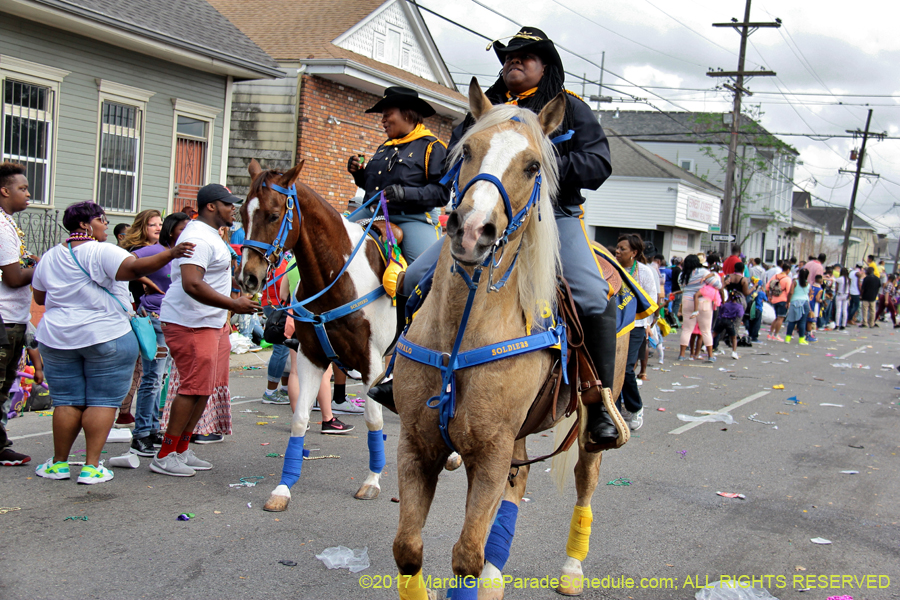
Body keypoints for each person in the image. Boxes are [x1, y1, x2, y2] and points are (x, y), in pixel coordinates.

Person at [370, 27, 625, 447]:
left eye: (526, 56)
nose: (514, 61)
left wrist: (541, 157)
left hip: (552, 215)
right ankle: (398, 367)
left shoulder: (572, 109)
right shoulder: (485, 111)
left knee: (593, 295)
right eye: (509, 56)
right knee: (414, 278)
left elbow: (598, 163)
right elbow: (454, 158)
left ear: (546, 66)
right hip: (488, 212)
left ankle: (598, 403)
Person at [32, 202, 192, 484]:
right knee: (103, 401)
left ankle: (58, 464)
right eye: (101, 220)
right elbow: (133, 269)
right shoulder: (102, 250)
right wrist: (172, 253)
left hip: (57, 338)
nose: (106, 225)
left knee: (66, 401)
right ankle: (91, 466)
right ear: (85, 225)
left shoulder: (50, 256)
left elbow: (41, 298)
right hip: (106, 335)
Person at [153, 184, 259, 477]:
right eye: (228, 204)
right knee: (192, 388)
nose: (233, 209)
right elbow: (192, 283)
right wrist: (232, 305)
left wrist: (233, 297)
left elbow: (211, 278)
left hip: (208, 322)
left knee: (204, 389)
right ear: (211, 206)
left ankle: (182, 449)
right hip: (190, 322)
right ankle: (165, 454)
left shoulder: (211, 235)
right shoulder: (198, 236)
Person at [346, 86, 448, 262]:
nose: (383, 121)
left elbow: (441, 194)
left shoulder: (433, 147)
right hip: (372, 213)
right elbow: (374, 187)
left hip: (412, 219)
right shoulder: (385, 147)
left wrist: (404, 193)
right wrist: (358, 174)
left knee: (422, 274)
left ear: (407, 114)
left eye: (387, 114)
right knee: (329, 238)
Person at [127, 212, 190, 457]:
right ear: (173, 231)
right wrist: (143, 278)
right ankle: (141, 434)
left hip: (172, 321)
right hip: (154, 319)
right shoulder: (157, 251)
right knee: (152, 378)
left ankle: (152, 429)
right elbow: (125, 261)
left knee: (160, 378)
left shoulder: (184, 253)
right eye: (182, 228)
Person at [0, 162, 41, 467]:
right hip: (4, 318)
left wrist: (30, 260)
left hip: (15, 317)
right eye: (22, 188)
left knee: (4, 387)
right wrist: (43, 269)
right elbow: (13, 278)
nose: (28, 194)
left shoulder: (8, 224)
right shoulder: (1, 228)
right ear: (4, 191)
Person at [615, 234, 657, 430]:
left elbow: (652, 300)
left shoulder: (644, 272)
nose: (618, 251)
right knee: (611, 370)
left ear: (634, 253)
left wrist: (649, 324)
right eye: (617, 248)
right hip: (615, 327)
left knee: (626, 369)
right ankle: (613, 411)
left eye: (623, 249)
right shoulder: (611, 268)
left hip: (637, 326)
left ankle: (635, 407)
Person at [677, 254, 721, 362]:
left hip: (687, 301)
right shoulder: (703, 272)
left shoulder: (682, 275)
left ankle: (682, 354)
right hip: (703, 302)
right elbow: (718, 285)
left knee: (687, 329)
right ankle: (710, 355)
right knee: (706, 330)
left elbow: (681, 287)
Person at [783, 268, 811, 345]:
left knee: (792, 321)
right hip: (805, 303)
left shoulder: (795, 282)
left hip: (795, 303)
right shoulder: (808, 284)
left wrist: (788, 301)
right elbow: (809, 294)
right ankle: (801, 339)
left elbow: (791, 292)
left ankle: (787, 338)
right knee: (802, 322)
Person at [766, 261, 791, 341]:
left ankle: (770, 333)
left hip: (774, 299)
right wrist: (788, 302)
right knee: (780, 318)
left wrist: (769, 296)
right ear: (788, 270)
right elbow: (788, 292)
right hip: (783, 300)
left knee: (776, 318)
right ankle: (776, 334)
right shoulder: (787, 279)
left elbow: (767, 287)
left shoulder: (775, 276)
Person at [744, 278, 768, 342]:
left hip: (752, 309)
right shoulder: (761, 293)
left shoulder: (752, 291)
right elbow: (766, 299)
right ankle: (754, 337)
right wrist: (763, 289)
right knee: (757, 324)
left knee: (751, 322)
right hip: (758, 309)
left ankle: (750, 335)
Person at [806, 274, 823, 342]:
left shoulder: (811, 286)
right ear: (821, 281)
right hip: (814, 305)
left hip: (808, 303)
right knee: (812, 320)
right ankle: (810, 334)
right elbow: (817, 299)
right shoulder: (820, 289)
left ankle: (807, 333)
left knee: (807, 319)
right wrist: (822, 300)